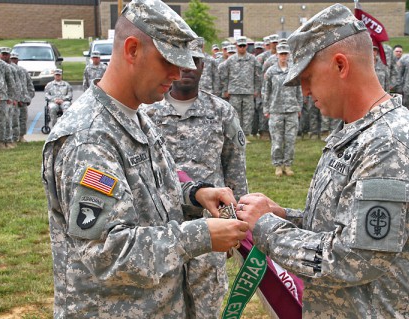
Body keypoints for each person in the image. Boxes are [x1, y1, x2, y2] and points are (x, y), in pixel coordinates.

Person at [236, 4, 409, 318]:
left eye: (308, 78)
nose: (306, 92)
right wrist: (285, 216)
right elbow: (347, 225)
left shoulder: (389, 146)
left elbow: (352, 259)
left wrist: (266, 227)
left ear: (340, 65)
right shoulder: (360, 132)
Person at [41, 0, 249, 317]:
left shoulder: (135, 116)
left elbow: (146, 193)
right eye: (169, 61)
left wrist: (195, 193)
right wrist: (201, 236)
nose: (179, 73)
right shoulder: (90, 138)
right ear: (132, 50)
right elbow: (107, 253)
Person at [141, 38, 248, 318]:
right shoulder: (147, 114)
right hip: (162, 227)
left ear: (203, 66)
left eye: (196, 61)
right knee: (164, 301)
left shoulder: (221, 111)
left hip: (210, 224)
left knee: (207, 303)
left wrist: (234, 223)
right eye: (182, 61)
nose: (189, 68)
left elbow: (234, 170)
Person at [262, 43, 302, 177]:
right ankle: (278, 165)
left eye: (286, 54)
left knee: (290, 139)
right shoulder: (271, 71)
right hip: (276, 110)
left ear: (289, 55)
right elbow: (266, 91)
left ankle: (288, 165)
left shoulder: (294, 70)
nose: (283, 56)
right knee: (277, 140)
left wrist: (299, 107)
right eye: (281, 54)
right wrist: (266, 108)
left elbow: (299, 90)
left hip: (292, 109)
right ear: (277, 55)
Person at [219, 36, 261, 143]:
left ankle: (245, 135)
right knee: (235, 114)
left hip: (248, 91)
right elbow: (224, 75)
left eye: (243, 46)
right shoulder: (230, 60)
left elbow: (257, 76)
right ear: (236, 46)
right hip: (234, 91)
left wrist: (256, 89)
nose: (242, 48)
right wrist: (225, 89)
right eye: (240, 46)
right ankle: (236, 135)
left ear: (246, 46)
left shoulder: (253, 59)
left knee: (248, 114)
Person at [9, 52, 35, 144]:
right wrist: (17, 98)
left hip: (23, 99)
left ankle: (21, 136)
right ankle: (12, 137)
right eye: (12, 58)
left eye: (15, 59)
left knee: (23, 119)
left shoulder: (23, 71)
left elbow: (29, 85)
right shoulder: (8, 69)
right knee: (12, 119)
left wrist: (28, 98)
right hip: (12, 99)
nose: (14, 60)